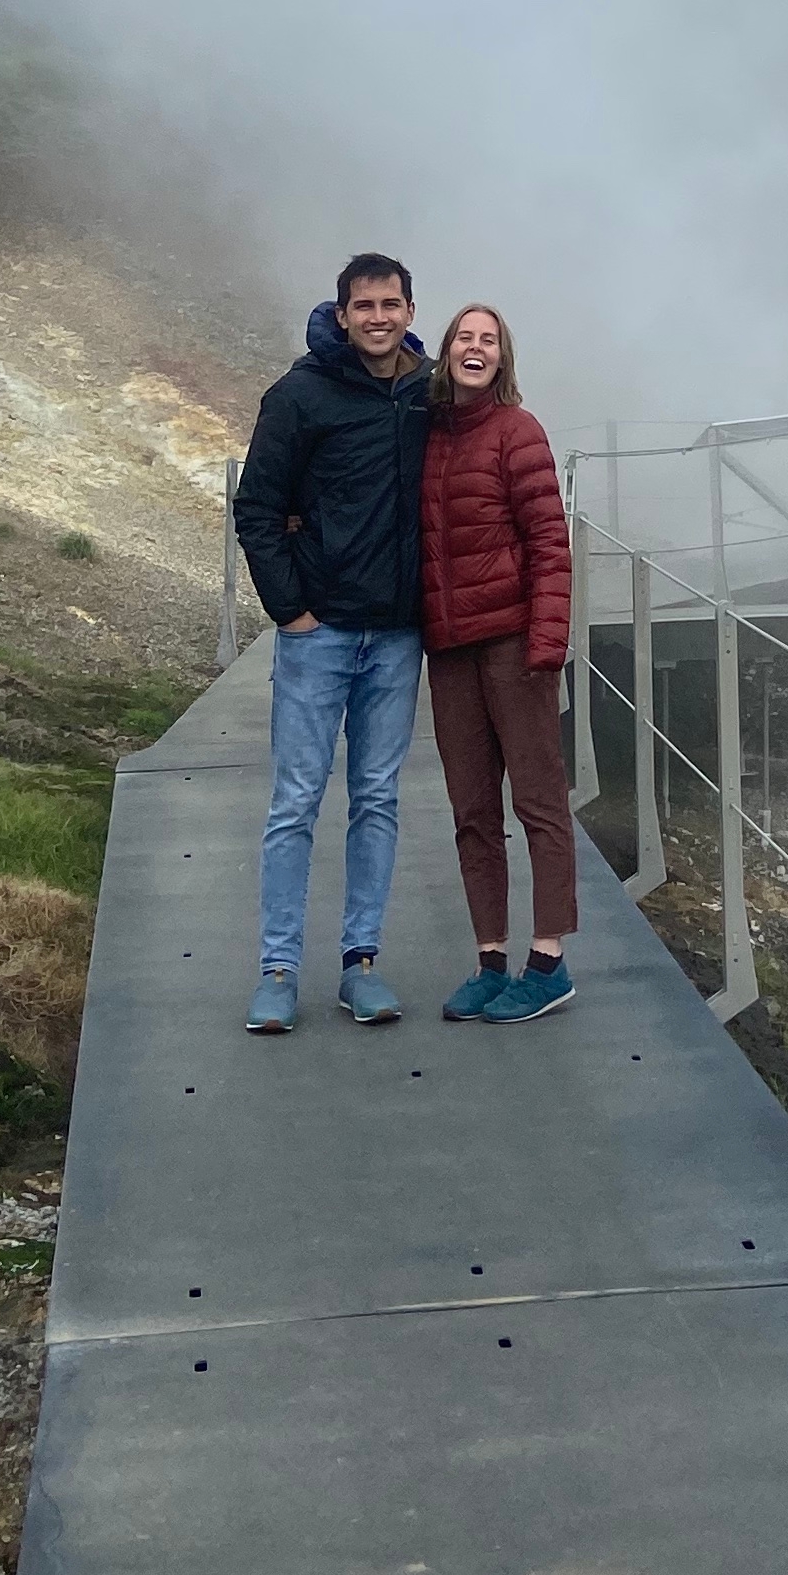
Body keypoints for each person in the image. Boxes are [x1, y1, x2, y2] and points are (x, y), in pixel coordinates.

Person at [231, 253, 432, 1033]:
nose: (378, 317)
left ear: (411, 310)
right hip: (320, 633)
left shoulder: (427, 395)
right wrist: (291, 611)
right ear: (341, 314)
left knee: (377, 799)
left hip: (396, 635)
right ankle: (278, 970)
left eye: (392, 303)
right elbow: (258, 508)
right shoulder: (299, 396)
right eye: (364, 305)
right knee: (296, 801)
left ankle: (361, 966)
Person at [419, 303, 577, 1024]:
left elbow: (550, 544)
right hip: (450, 648)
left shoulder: (519, 432)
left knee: (538, 802)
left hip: (514, 642)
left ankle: (547, 961)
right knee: (472, 810)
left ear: (502, 358)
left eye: (488, 340)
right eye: (464, 338)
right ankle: (490, 958)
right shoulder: (429, 435)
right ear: (446, 350)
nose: (474, 348)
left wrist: (548, 645)